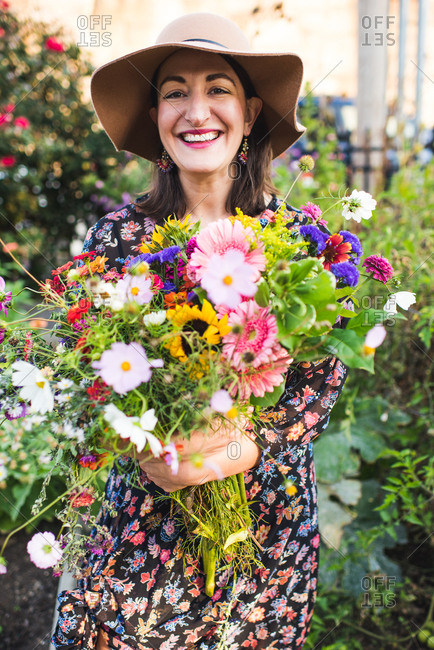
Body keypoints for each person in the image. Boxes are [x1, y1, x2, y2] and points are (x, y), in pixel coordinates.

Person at [52, 13, 347, 650]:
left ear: (248, 113)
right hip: (141, 523)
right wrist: (144, 445)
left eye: (217, 89)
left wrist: (240, 448)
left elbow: (323, 377)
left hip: (263, 527)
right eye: (174, 92)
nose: (196, 109)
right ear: (157, 119)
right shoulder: (119, 243)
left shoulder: (299, 244)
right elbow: (87, 375)